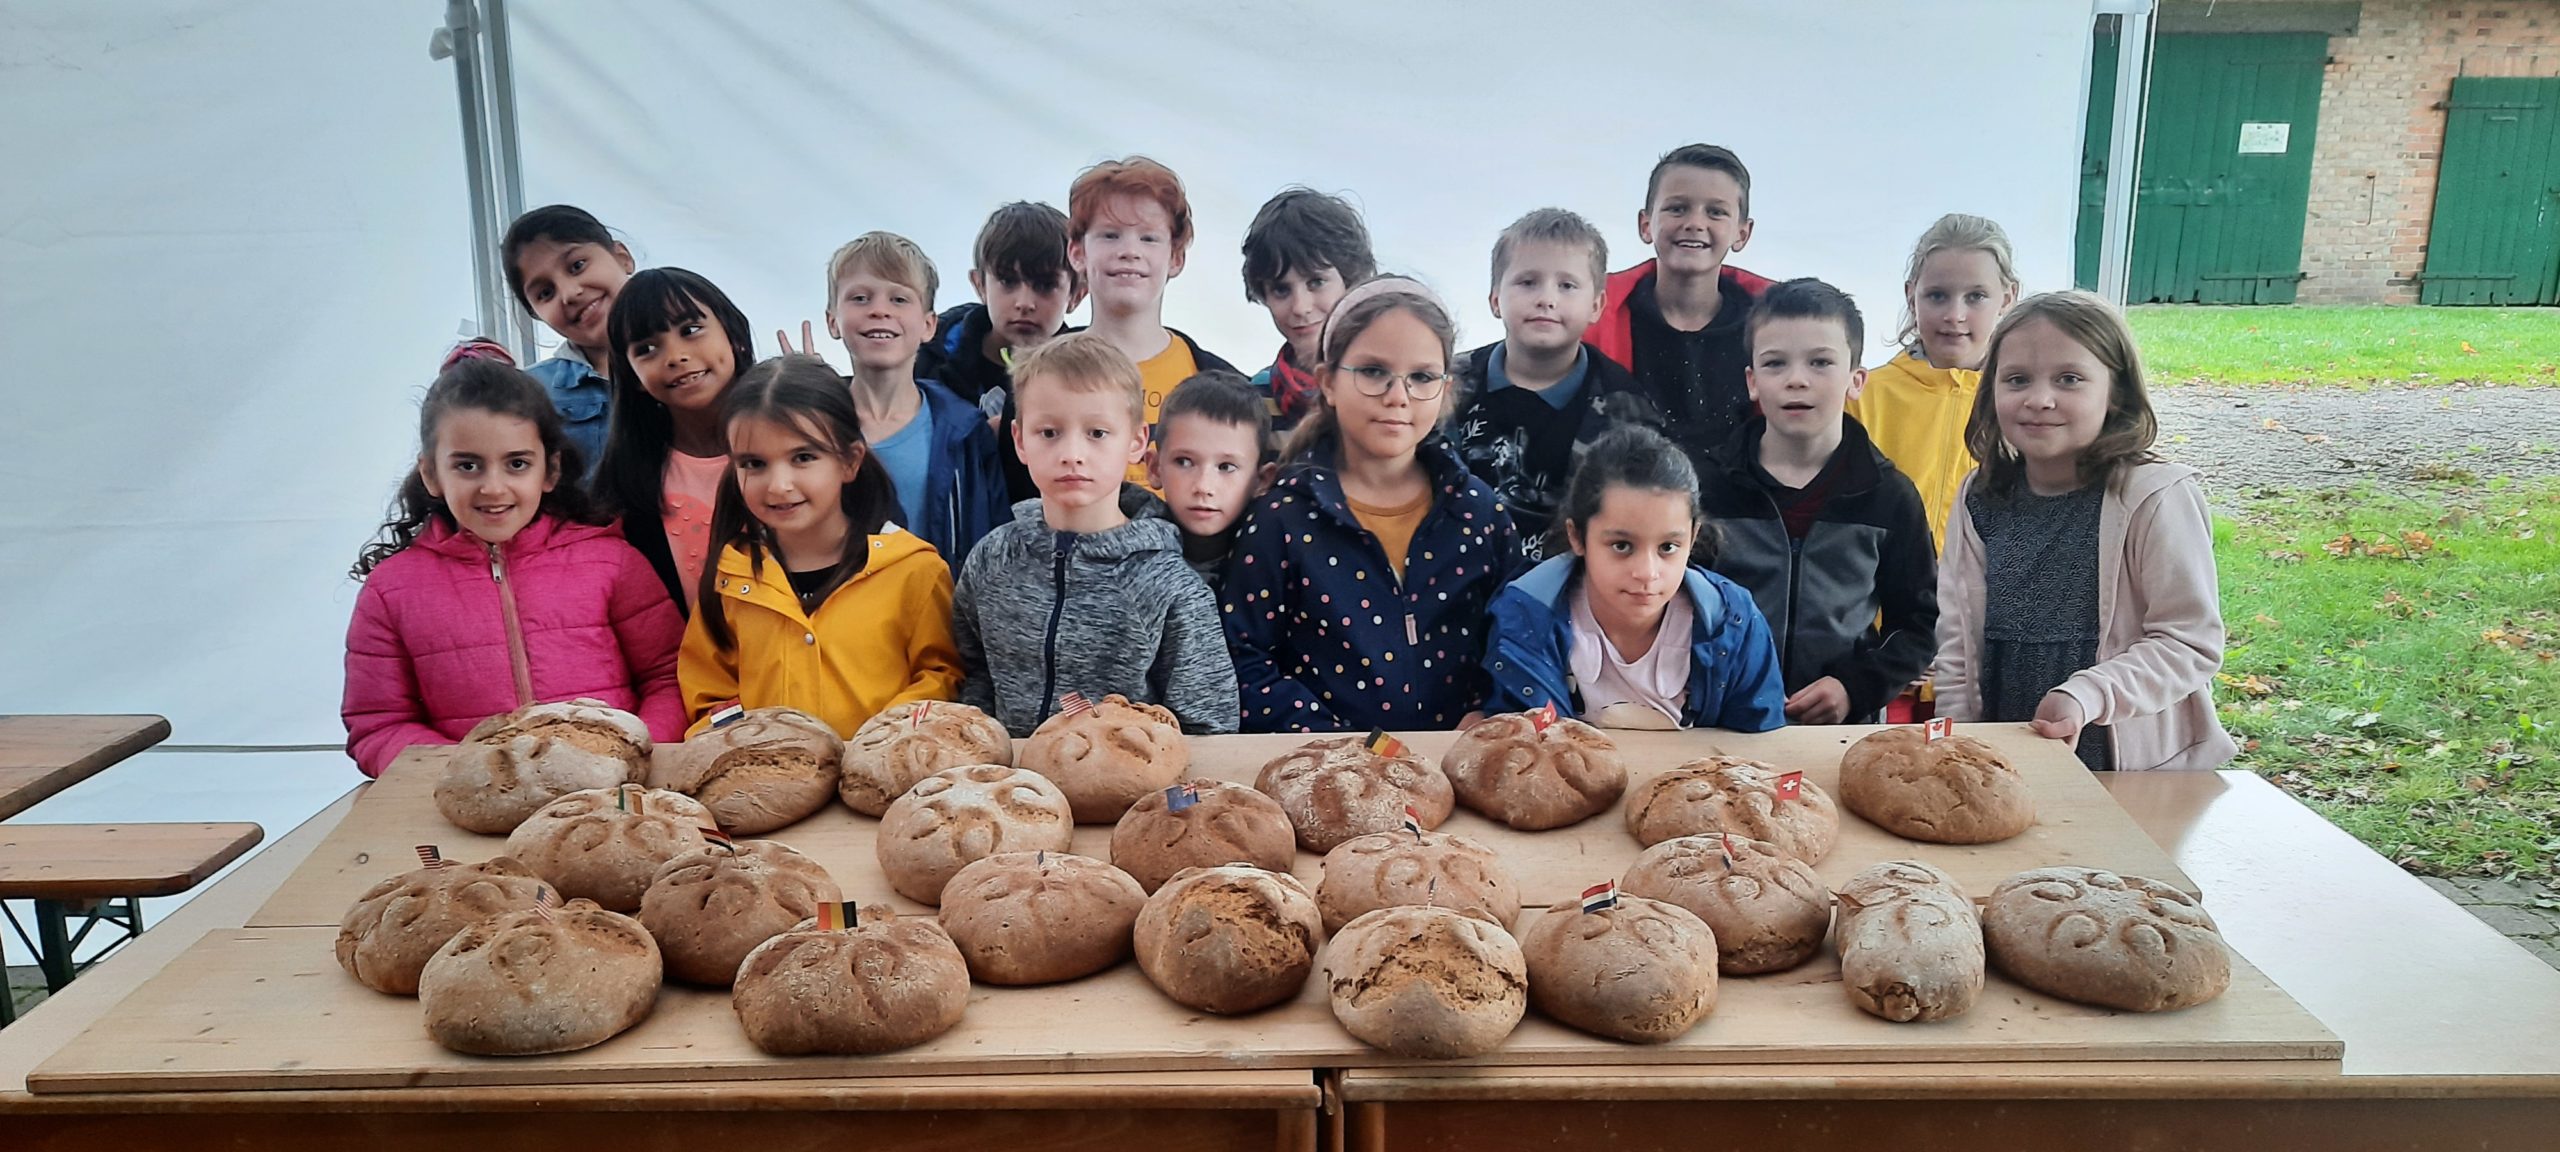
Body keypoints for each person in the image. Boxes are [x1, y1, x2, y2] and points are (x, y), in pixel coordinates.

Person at [1935, 291, 2236, 772]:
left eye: (2069, 379)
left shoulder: (2153, 496)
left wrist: (2088, 694)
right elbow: (1956, 641)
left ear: (2115, 391)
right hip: (2004, 756)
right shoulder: (1982, 494)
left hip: (2132, 769)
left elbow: (2189, 643)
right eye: (2016, 380)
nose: (2039, 399)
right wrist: (1956, 744)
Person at [343, 359, 683, 777]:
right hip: (465, 816)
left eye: (517, 463)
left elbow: (668, 679)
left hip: (615, 798)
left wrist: (629, 757)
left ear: (550, 470)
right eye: (467, 465)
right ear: (431, 473)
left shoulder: (613, 562)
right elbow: (377, 724)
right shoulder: (389, 591)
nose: (493, 487)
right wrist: (473, 773)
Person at [1223, 277, 1520, 733]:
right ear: (1328, 383)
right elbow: (1242, 657)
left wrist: (1493, 712)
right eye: (1374, 372)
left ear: (1445, 389)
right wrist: (1346, 747)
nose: (1397, 396)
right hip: (1325, 779)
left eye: (1421, 377)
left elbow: (1520, 638)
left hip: (1463, 777)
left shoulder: (1480, 515)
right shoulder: (1281, 518)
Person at [951, 332, 1238, 737]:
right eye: (1049, 433)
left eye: (1097, 433)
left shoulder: (1170, 587)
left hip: (1129, 794)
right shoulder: (992, 558)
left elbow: (1209, 727)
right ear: (1019, 440)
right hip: (1010, 789)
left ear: (1137, 441)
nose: (1073, 453)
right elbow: (976, 670)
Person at [677, 355, 961, 737]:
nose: (778, 484)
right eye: (754, 464)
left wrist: (880, 737)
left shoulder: (914, 570)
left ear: (849, 461)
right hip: (768, 786)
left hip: (880, 783)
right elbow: (708, 694)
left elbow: (941, 676)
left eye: (803, 457)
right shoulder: (730, 577)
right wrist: (738, 743)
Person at [1698, 279, 1937, 725]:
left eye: (1821, 362)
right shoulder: (1707, 491)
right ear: (1752, 381)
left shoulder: (1890, 498)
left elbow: (1918, 625)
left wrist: (1855, 686)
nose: (1796, 380)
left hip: (1839, 733)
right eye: (1775, 363)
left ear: (1856, 379)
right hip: (1723, 726)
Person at [1482, 423, 1784, 731]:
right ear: (1577, 537)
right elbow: (1526, 749)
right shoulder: (1524, 621)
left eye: (1668, 547)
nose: (1647, 573)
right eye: (1622, 546)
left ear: (1692, 539)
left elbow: (1759, 748)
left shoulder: (1734, 623)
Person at [1447, 207, 1655, 556]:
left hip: (1567, 591)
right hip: (1450, 579)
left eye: (1567, 285)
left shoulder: (1629, 411)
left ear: (1596, 305)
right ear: (1496, 299)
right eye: (1528, 282)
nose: (1547, 298)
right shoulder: (1442, 385)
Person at [817, 231, 1011, 566]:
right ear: (833, 321)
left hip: (944, 610)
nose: (879, 310)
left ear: (928, 325)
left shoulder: (966, 432)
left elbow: (994, 540)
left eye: (899, 299)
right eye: (860, 298)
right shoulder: (812, 428)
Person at [1587, 144, 1775, 473]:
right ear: (1646, 225)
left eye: (1716, 212)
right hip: (1626, 500)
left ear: (1741, 233)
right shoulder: (1592, 315)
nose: (1694, 222)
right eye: (1677, 208)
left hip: (1742, 510)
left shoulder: (1773, 325)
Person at [1849, 213, 2023, 548]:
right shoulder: (1864, 397)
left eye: (1975, 297)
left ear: (2007, 297)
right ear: (1911, 294)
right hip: (1883, 598)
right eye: (1938, 296)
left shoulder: (2022, 404)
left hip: (1984, 598)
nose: (1954, 315)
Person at [1065, 156, 1237, 484]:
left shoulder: (1222, 385)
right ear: (1077, 253)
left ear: (1176, 258)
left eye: (1148, 238)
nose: (1130, 251)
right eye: (1110, 235)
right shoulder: (1037, 381)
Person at [596, 267, 754, 613]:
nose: (676, 356)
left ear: (734, 335)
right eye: (647, 348)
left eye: (691, 330)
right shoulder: (623, 488)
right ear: (632, 375)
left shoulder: (797, 444)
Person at [918, 201, 1083, 501]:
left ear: (1076, 294)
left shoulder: (1091, 377)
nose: (1024, 302)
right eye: (1007, 281)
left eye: (1045, 285)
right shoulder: (925, 363)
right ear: (979, 284)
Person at [501, 205, 636, 470]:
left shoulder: (702, 356)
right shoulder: (525, 395)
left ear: (622, 257)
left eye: (577, 266)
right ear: (535, 313)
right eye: (545, 293)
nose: (569, 293)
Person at [1239, 188, 1377, 429]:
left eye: (1316, 282)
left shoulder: (1395, 392)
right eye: (1281, 289)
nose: (1300, 307)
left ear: (1350, 279)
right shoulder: (1252, 403)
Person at [1145, 369, 1278, 591]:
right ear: (1155, 468)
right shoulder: (1122, 559)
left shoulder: (1276, 567)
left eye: (1226, 467)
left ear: (1262, 480)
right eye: (1184, 462)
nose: (1203, 487)